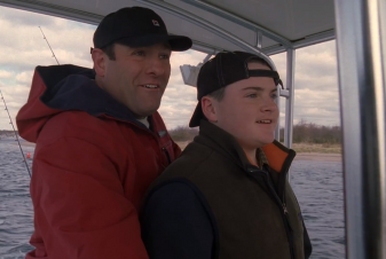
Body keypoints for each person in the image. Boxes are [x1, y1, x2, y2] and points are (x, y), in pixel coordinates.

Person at [16, 6, 192, 259]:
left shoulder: (146, 116)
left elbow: (179, 171)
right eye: (140, 53)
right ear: (100, 62)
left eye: (164, 56)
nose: (158, 68)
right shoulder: (72, 141)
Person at [141, 51, 313, 259]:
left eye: (272, 95)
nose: (270, 107)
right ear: (211, 108)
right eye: (252, 95)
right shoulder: (182, 192)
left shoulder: (272, 169)